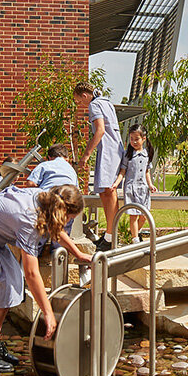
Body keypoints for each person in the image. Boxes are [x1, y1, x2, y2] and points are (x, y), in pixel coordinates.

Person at [0, 183, 83, 373]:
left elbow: (56, 228)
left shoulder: (46, 199)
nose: (68, 222)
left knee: (13, 283)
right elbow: (31, 273)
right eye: (69, 218)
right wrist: (48, 312)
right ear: (62, 212)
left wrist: (77, 253)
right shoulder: (29, 219)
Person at [74, 83, 122, 251]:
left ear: (85, 96)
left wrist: (86, 155)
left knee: (108, 192)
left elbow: (100, 130)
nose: (81, 105)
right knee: (108, 192)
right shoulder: (106, 102)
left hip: (108, 151)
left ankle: (111, 237)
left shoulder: (94, 104)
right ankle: (110, 234)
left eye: (80, 102)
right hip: (115, 149)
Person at [27, 145, 93, 264]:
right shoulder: (70, 169)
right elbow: (75, 190)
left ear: (49, 157)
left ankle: (35, 254)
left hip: (47, 201)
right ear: (66, 158)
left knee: (40, 232)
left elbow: (31, 183)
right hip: (66, 202)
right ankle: (59, 256)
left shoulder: (44, 165)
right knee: (62, 229)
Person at [115, 126, 155, 241]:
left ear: (143, 139)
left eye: (136, 139)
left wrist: (150, 185)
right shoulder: (127, 154)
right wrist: (116, 183)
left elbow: (147, 171)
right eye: (131, 139)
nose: (134, 142)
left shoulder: (147, 154)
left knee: (143, 217)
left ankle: (134, 233)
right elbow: (123, 171)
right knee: (133, 215)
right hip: (131, 189)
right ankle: (135, 239)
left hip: (143, 189)